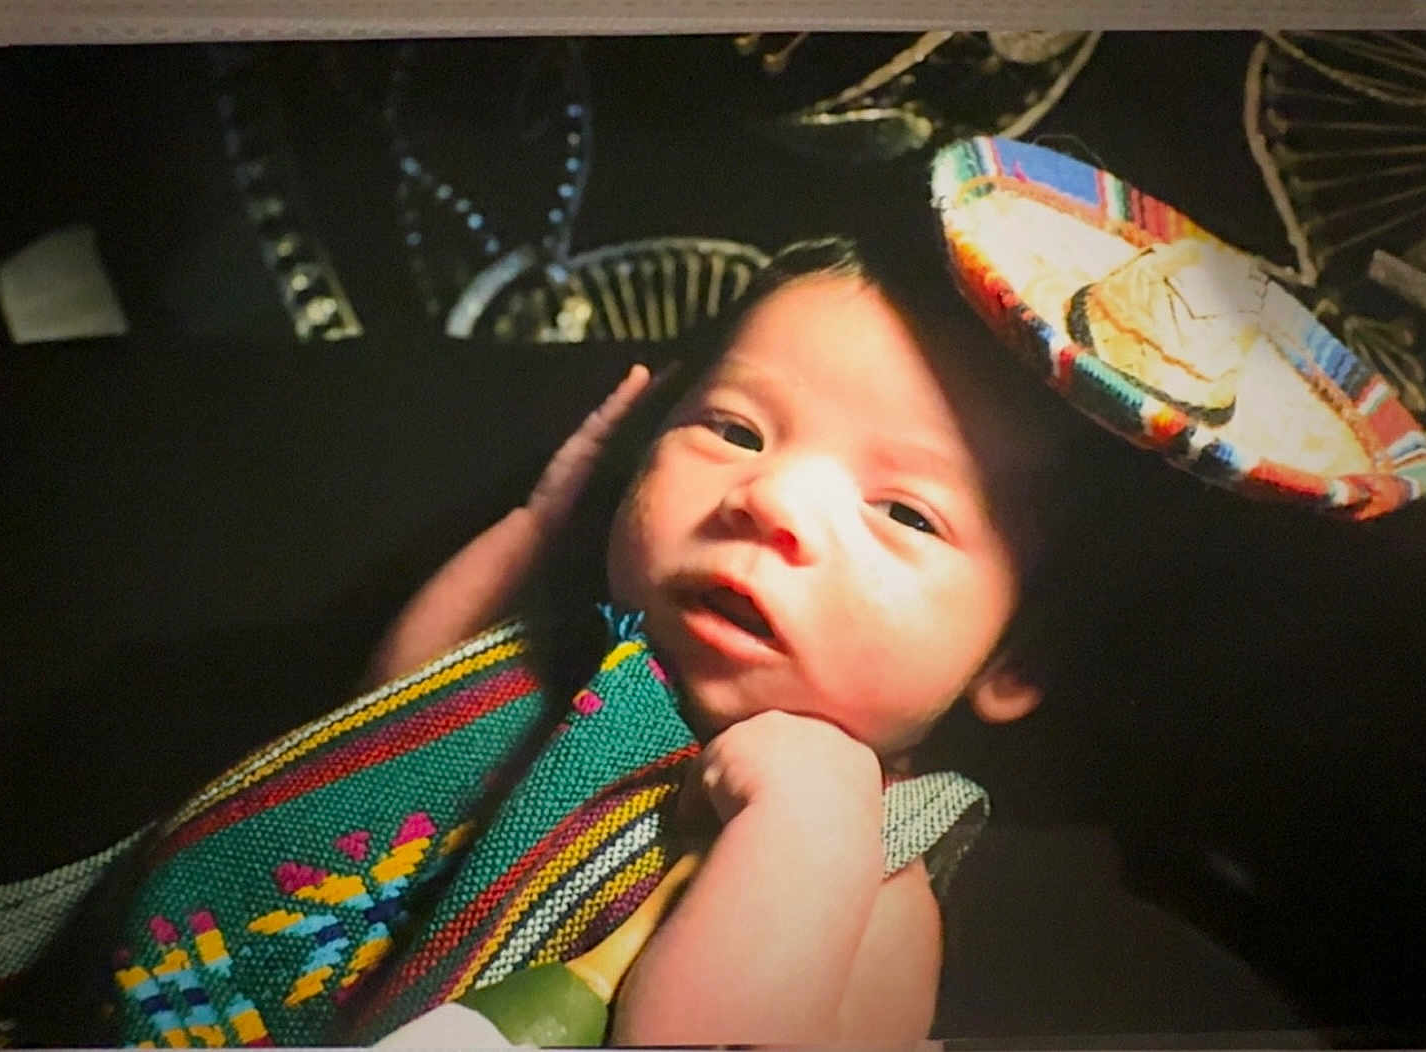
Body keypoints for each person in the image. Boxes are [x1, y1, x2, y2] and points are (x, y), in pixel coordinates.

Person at [365, 227, 1113, 1044]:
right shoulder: (567, 671)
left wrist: (804, 822)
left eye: (904, 512)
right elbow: (390, 712)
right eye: (734, 431)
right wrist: (541, 522)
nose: (770, 498)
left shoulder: (871, 874)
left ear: (1011, 662)